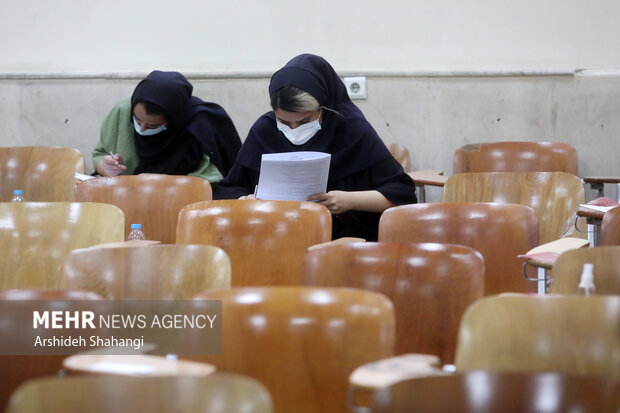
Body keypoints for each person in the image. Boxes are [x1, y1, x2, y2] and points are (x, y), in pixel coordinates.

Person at [217, 54, 417, 240]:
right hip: (274, 236)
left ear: (323, 107)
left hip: (343, 240)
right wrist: (245, 199)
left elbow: (402, 193)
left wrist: (349, 201)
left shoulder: (351, 129)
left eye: (304, 122)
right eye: (284, 123)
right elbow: (229, 189)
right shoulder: (264, 130)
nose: (294, 130)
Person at [92, 70, 241, 185]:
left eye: (152, 125)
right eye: (137, 120)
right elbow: (99, 154)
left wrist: (159, 185)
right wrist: (104, 166)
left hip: (184, 205)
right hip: (125, 201)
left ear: (173, 120)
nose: (142, 129)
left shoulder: (201, 124)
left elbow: (215, 179)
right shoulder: (123, 111)